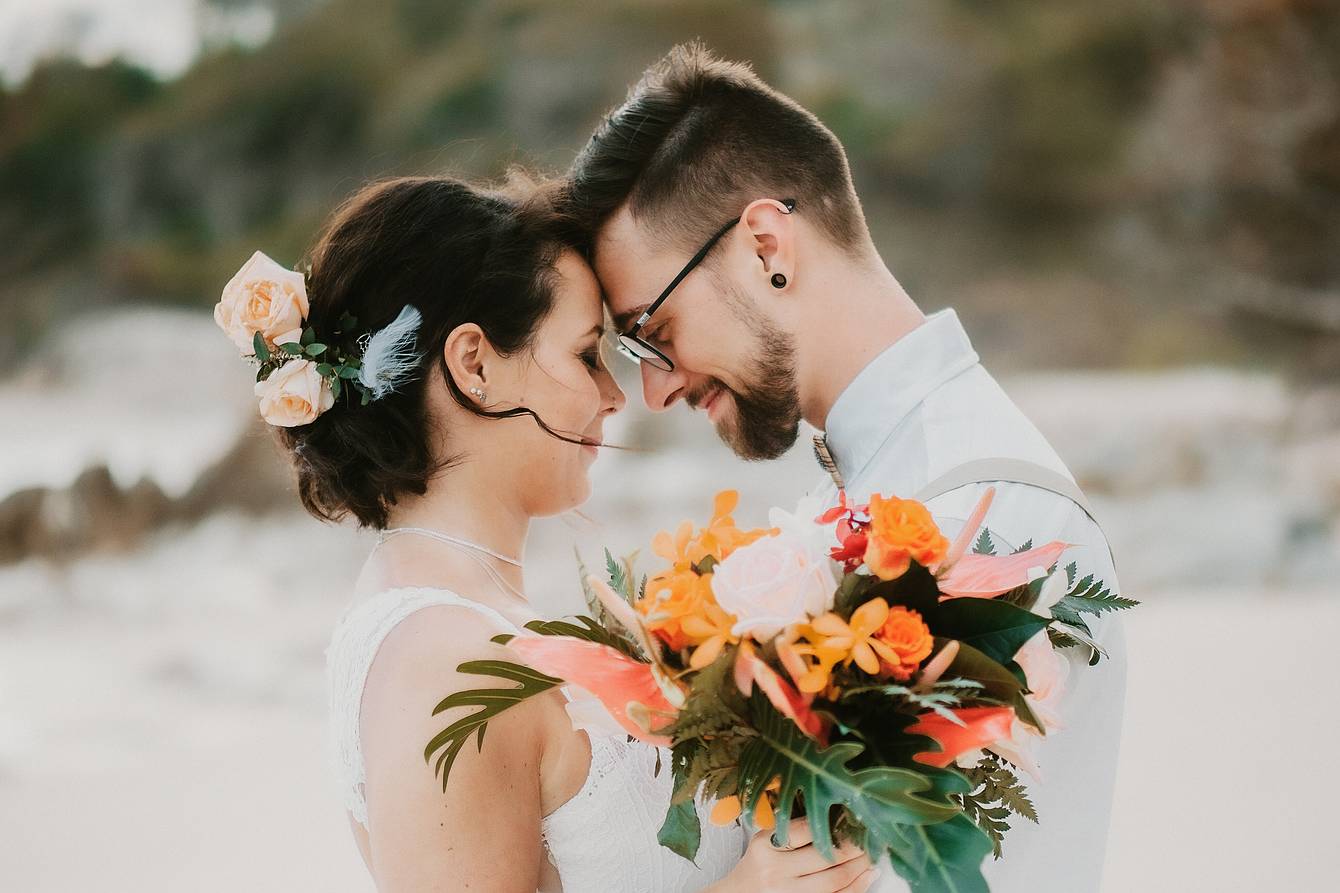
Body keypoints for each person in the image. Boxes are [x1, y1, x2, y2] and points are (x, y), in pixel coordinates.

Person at [565, 43, 1128, 893]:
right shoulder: (898, 481)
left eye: (654, 327)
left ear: (765, 245)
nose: (654, 386)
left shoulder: (988, 513)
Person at [216, 174, 878, 891]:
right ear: (476, 366)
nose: (616, 395)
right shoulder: (443, 661)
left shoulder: (459, 618)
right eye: (587, 354)